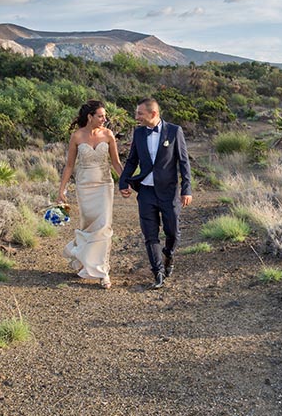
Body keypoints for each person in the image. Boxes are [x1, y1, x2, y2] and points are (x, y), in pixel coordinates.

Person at [119, 98, 192, 289]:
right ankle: (157, 272)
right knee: (150, 235)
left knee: (173, 232)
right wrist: (123, 181)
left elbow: (184, 162)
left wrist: (187, 189)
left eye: (140, 114)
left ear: (153, 114)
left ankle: (168, 254)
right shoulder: (139, 132)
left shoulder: (174, 131)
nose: (136, 117)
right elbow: (132, 160)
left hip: (169, 192)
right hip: (145, 192)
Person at [58, 100, 123, 289]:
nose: (105, 119)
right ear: (90, 117)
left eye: (104, 116)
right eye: (101, 116)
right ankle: (82, 258)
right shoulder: (77, 136)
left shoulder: (108, 135)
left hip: (104, 186)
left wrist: (127, 182)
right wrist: (61, 190)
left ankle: (103, 271)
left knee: (104, 227)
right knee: (88, 228)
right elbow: (69, 165)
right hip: (84, 187)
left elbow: (116, 163)